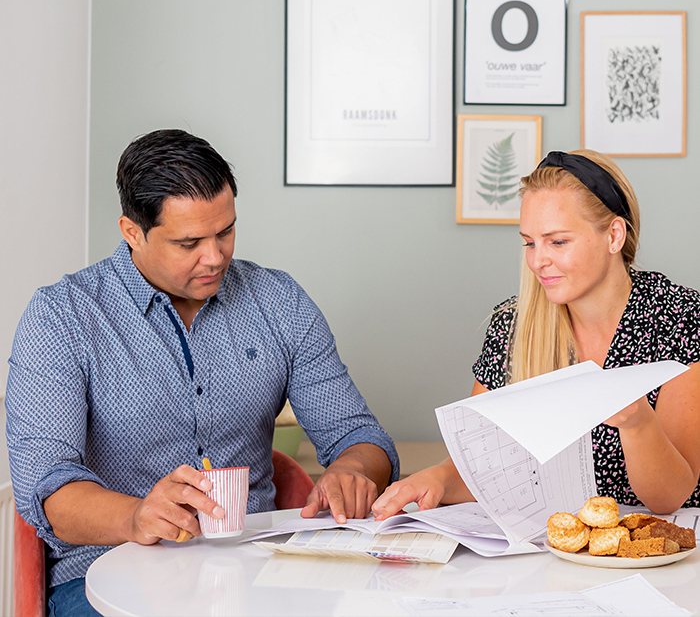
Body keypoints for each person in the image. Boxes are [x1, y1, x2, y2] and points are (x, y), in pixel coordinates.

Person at [6, 129, 399, 614]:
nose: (215, 258)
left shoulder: (279, 302)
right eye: (189, 242)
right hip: (106, 569)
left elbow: (358, 436)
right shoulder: (61, 317)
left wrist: (353, 471)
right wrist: (136, 515)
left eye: (226, 231)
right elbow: (49, 488)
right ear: (133, 232)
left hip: (256, 568)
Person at [372, 149, 700, 521]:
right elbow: (487, 465)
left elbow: (670, 497)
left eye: (557, 242)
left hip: (661, 549)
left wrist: (638, 422)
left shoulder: (681, 318)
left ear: (614, 235)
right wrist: (439, 479)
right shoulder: (514, 323)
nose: (537, 261)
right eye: (529, 242)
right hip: (549, 548)